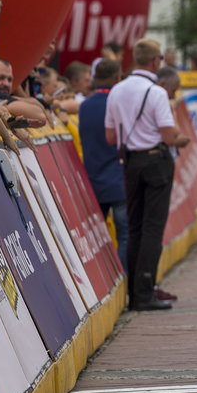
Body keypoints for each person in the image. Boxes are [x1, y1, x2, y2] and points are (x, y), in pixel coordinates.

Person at [104, 39, 189, 311]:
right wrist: (180, 139)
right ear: (156, 61)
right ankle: (145, 290)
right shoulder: (156, 92)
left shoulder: (116, 90)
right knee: (153, 228)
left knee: (135, 226)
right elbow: (166, 133)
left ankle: (133, 292)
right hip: (155, 160)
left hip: (129, 162)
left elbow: (110, 136)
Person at [78, 59, 130, 269]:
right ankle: (126, 280)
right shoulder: (119, 104)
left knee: (96, 239)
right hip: (119, 180)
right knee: (125, 234)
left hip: (93, 180)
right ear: (118, 78)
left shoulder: (85, 106)